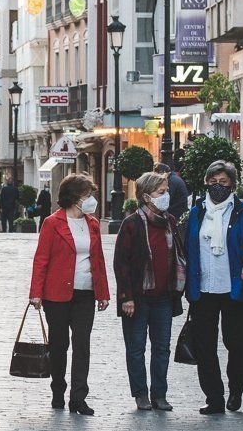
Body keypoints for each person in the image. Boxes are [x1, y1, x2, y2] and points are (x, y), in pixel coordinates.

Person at [184, 160, 243, 415]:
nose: (217, 187)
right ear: (205, 182)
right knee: (204, 344)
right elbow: (188, 246)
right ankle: (213, 397)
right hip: (203, 290)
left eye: (223, 182)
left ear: (232, 184)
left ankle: (236, 391)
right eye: (213, 182)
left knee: (234, 342)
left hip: (234, 289)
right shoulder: (197, 211)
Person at [30, 174, 110, 416]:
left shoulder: (93, 224)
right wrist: (36, 292)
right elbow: (41, 259)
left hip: (85, 292)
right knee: (59, 345)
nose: (92, 200)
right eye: (88, 195)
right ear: (75, 198)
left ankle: (78, 398)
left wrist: (103, 293)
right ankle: (58, 391)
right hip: (57, 293)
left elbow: (98, 260)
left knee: (82, 345)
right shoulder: (52, 223)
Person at [114, 172, 185, 411]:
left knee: (162, 348)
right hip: (137, 298)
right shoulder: (132, 223)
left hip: (164, 297)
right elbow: (121, 263)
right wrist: (127, 297)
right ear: (146, 196)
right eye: (161, 192)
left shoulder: (170, 222)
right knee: (136, 348)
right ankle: (140, 394)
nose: (166, 196)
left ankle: (160, 394)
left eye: (166, 192)